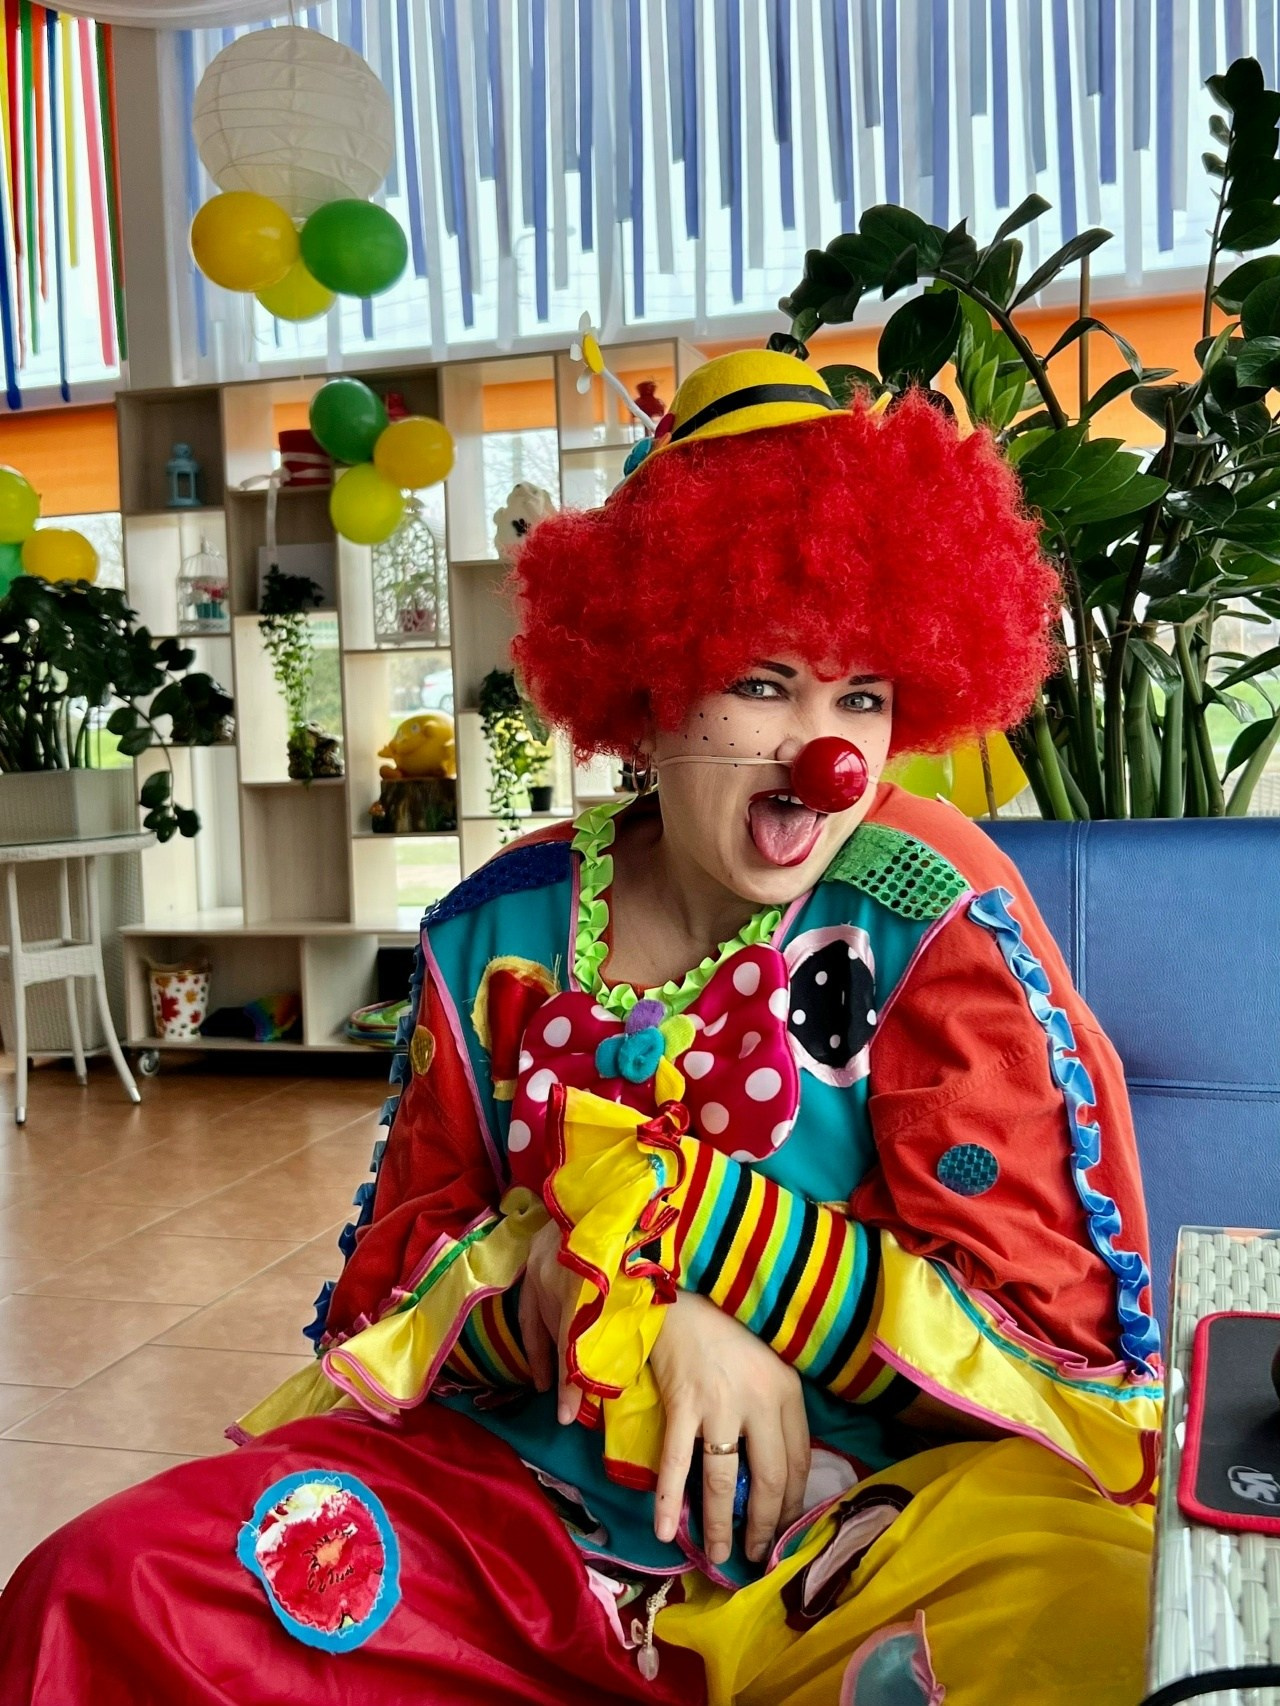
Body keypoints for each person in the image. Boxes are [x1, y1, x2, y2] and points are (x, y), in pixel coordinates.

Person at [0, 350, 1161, 1706]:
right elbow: (395, 1293)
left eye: (861, 696)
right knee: (104, 1586)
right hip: (513, 1516)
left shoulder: (927, 910)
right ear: (653, 682)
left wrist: (700, 1245)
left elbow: (1046, 1335)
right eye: (766, 682)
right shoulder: (497, 927)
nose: (828, 754)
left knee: (1106, 1623)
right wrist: (579, 1291)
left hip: (860, 1538)